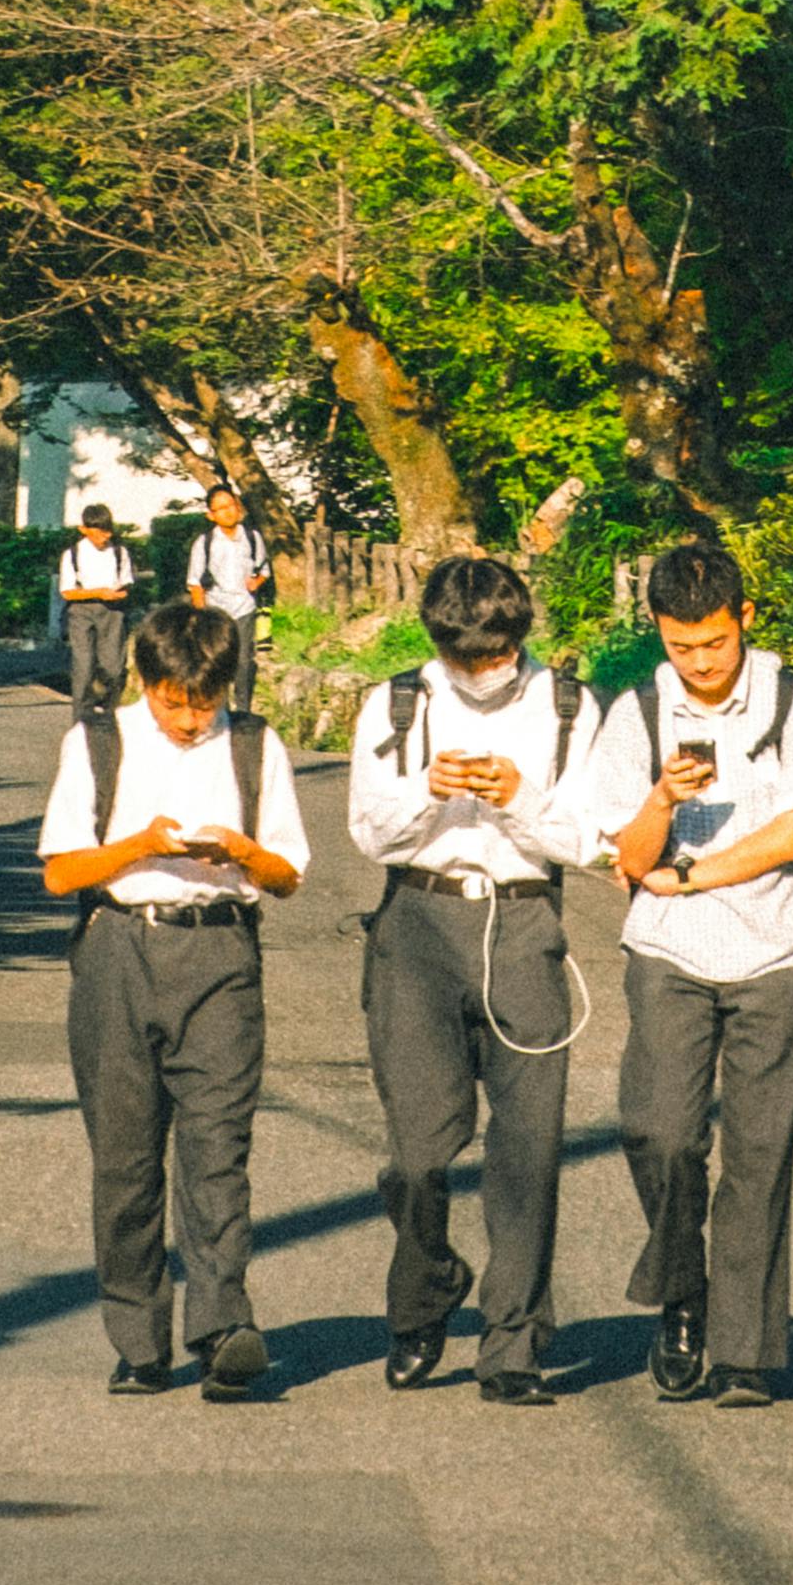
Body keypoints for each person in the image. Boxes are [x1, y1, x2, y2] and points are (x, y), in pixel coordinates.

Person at [584, 541, 793, 1404]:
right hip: (668, 950)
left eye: (715, 644)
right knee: (660, 1134)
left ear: (744, 620)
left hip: (779, 951)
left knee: (759, 1154)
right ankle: (683, 1293)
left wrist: (696, 871)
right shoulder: (634, 714)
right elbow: (626, 857)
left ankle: (745, 1351)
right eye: (681, 646)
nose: (699, 663)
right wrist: (661, 799)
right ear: (657, 631)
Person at [344, 550, 606, 1398]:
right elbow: (369, 835)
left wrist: (519, 797)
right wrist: (430, 790)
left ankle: (514, 1343)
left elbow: (586, 841)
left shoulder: (568, 705)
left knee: (528, 1147)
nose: (487, 675)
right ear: (438, 644)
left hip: (525, 922)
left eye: (499, 657)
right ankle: (423, 1296)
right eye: (468, 660)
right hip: (417, 923)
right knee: (419, 1154)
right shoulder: (395, 702)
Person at [38, 599, 308, 1396]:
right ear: (145, 681)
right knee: (125, 1159)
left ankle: (223, 1326)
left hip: (222, 951)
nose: (191, 719)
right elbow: (60, 872)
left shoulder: (256, 746)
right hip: (120, 948)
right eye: (173, 700)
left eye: (206, 701)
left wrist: (244, 851)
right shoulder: (98, 742)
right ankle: (139, 1338)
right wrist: (141, 846)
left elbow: (288, 876)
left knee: (217, 1150)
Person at [55, 499, 133, 714]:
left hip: (112, 612)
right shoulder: (72, 554)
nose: (104, 537)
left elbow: (127, 584)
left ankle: (109, 715)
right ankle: (81, 720)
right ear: (84, 529)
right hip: (81, 611)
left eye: (108, 531)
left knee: (114, 669)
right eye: (99, 532)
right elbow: (67, 591)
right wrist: (98, 592)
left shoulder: (119, 552)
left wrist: (118, 595)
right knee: (84, 668)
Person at [195, 483, 274, 656]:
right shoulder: (204, 543)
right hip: (215, 612)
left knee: (243, 661)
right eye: (221, 508)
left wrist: (257, 582)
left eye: (231, 505)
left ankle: (243, 684)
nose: (228, 511)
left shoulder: (252, 537)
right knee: (216, 659)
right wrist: (201, 619)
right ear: (211, 515)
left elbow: (264, 570)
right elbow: (195, 585)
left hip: (245, 608)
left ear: (238, 508)